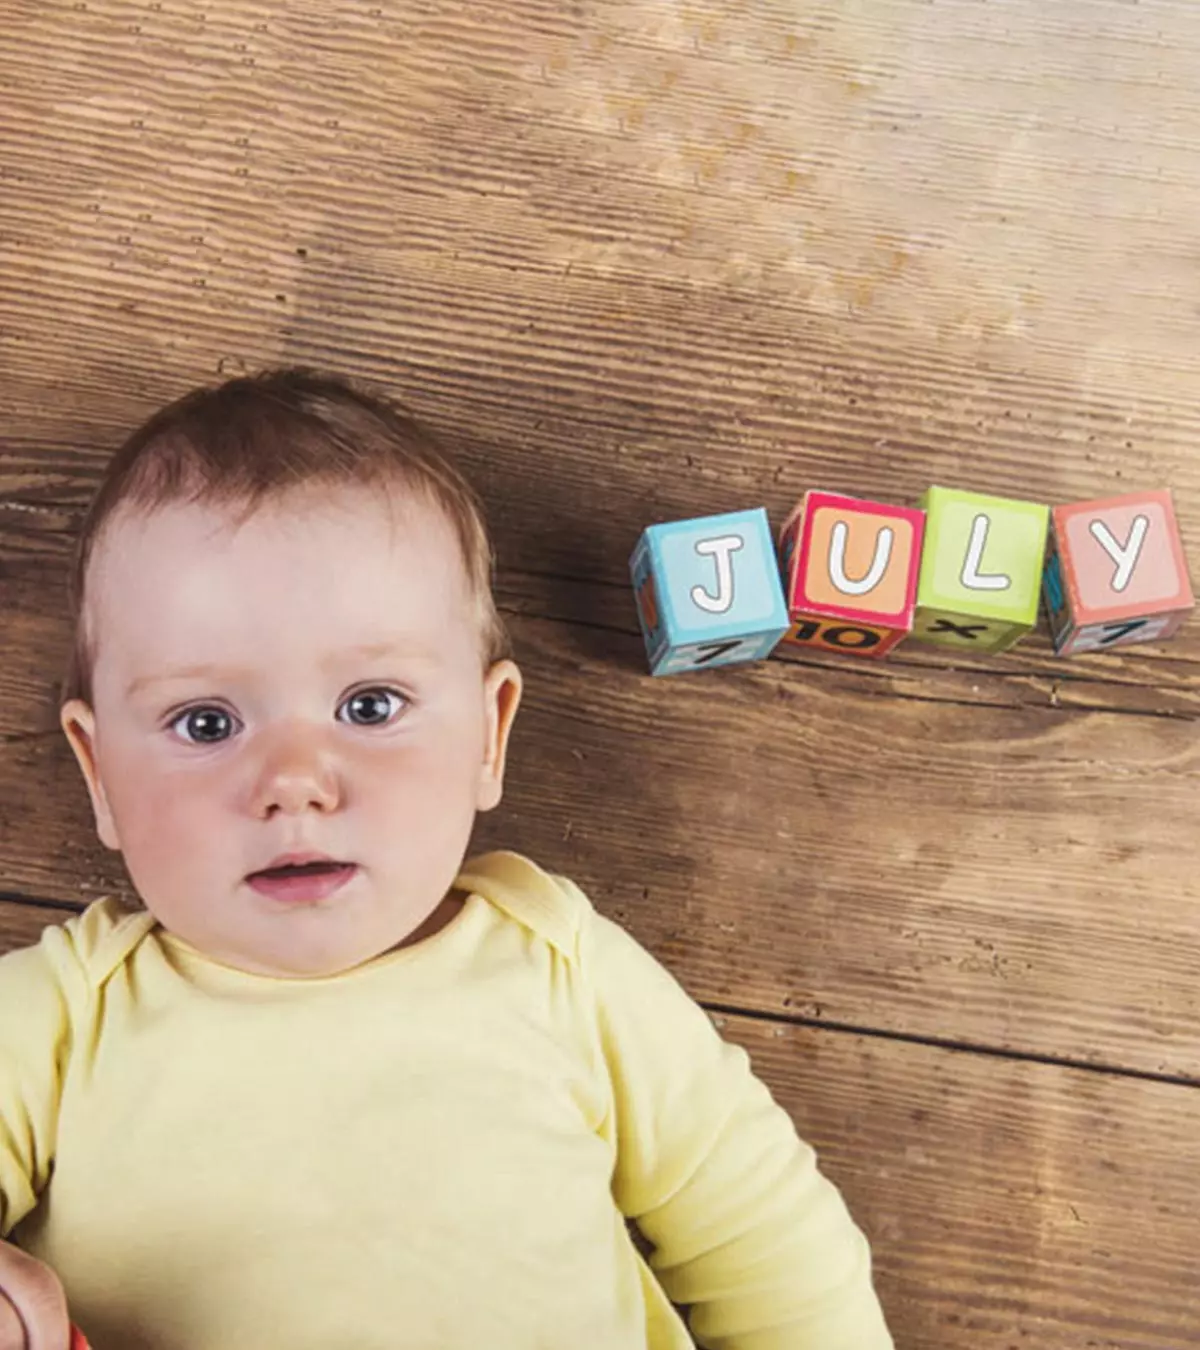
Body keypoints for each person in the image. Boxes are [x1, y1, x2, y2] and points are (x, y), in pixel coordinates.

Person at [0, 368, 894, 1350]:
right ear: (98, 774)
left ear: (487, 736)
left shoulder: (557, 967)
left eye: (371, 707)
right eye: (206, 722)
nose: (295, 781)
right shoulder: (61, 1019)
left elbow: (766, 1236)